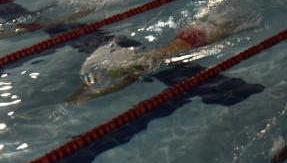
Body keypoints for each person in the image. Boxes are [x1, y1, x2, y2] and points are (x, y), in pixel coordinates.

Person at [70, 14, 260, 103]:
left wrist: (94, 95)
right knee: (227, 23)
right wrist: (82, 92)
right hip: (185, 36)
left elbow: (118, 85)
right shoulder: (135, 56)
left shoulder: (141, 67)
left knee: (237, 27)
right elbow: (99, 76)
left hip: (195, 43)